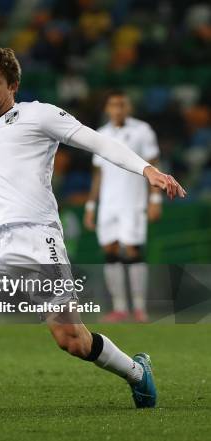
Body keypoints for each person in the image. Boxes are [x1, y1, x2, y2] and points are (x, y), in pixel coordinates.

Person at [0, 46, 185, 417]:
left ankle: (137, 373)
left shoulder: (38, 115)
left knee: (72, 340)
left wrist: (147, 169)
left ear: (13, 85)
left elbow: (96, 141)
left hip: (39, 243)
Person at [84, 91, 162, 323]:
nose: (118, 109)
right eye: (113, 105)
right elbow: (98, 174)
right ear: (107, 108)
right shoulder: (102, 134)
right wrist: (91, 205)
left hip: (133, 201)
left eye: (122, 105)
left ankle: (139, 308)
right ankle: (119, 308)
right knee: (110, 250)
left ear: (129, 108)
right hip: (108, 204)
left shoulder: (142, 130)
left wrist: (155, 200)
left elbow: (154, 165)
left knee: (132, 250)